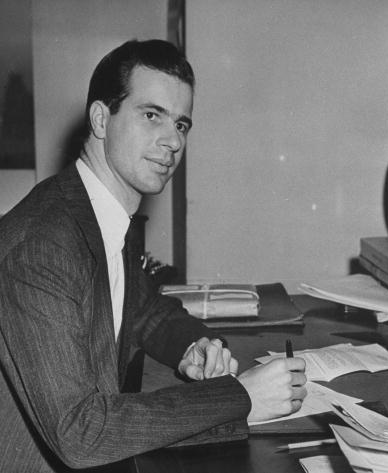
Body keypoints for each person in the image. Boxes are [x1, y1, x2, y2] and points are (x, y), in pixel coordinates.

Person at [0, 39, 307, 472]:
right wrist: (241, 398)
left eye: (181, 125)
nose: (172, 142)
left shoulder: (101, 211)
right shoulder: (41, 246)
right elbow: (80, 434)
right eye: (151, 116)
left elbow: (146, 310)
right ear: (101, 119)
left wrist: (193, 347)